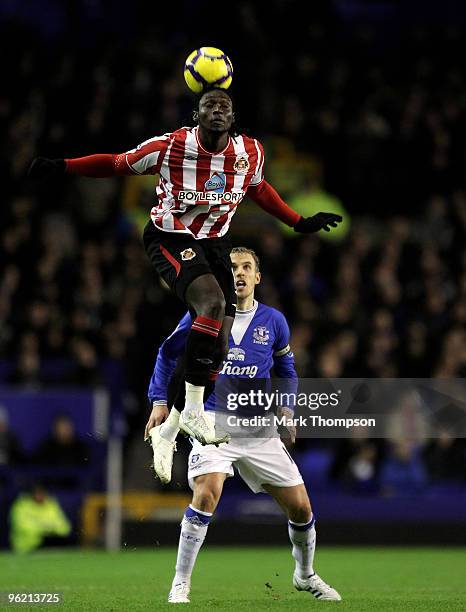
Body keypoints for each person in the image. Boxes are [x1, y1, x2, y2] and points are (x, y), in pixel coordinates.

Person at [28, 87, 342, 446]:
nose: (218, 110)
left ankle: (174, 423)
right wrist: (63, 166)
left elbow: (258, 188)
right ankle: (193, 408)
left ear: (233, 117)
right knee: (212, 304)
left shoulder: (249, 153)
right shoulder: (170, 148)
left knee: (222, 342)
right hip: (169, 237)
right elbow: (116, 164)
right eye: (210, 105)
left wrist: (298, 222)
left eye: (225, 106)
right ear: (197, 114)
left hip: (214, 243)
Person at [145, 247, 341, 603]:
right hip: (212, 421)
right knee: (207, 493)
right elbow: (166, 353)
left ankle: (305, 574)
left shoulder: (274, 322)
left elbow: (287, 371)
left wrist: (287, 407)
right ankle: (180, 583)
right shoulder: (205, 313)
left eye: (246, 267)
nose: (239, 273)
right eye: (233, 267)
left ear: (257, 277)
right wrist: (159, 402)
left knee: (302, 509)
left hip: (259, 427)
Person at [9, 484, 71, 553]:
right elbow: (21, 526)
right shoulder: (21, 505)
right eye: (37, 493)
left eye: (42, 493)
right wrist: (46, 529)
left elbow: (65, 528)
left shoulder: (51, 504)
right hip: (28, 546)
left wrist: (48, 530)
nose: (40, 496)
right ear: (32, 494)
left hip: (50, 542)